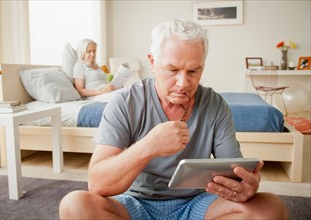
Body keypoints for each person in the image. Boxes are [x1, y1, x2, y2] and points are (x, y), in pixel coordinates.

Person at [59, 19, 288, 219]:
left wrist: (246, 186)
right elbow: (97, 184)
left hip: (198, 204)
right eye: (172, 70)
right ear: (152, 62)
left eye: (193, 72)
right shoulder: (124, 102)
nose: (182, 83)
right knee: (74, 205)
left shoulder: (215, 104)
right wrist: (149, 146)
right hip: (135, 204)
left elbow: (233, 173)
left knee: (270, 208)